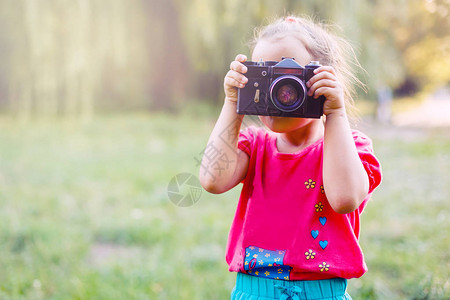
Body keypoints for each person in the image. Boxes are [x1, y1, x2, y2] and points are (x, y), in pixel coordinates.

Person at [199, 15, 382, 300]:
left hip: (321, 293)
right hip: (253, 290)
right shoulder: (254, 144)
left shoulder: (351, 148)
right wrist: (233, 102)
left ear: (324, 80)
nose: (276, 93)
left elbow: (344, 199)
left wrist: (335, 112)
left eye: (288, 80)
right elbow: (212, 179)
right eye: (264, 76)